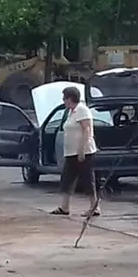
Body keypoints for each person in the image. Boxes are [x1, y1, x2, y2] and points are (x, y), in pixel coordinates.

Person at [50, 86, 100, 217]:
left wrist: (82, 149)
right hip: (71, 153)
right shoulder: (71, 112)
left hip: (83, 152)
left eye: (64, 98)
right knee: (67, 178)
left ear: (70, 99)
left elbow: (87, 130)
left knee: (87, 179)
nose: (63, 101)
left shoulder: (82, 110)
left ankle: (94, 207)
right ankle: (64, 206)